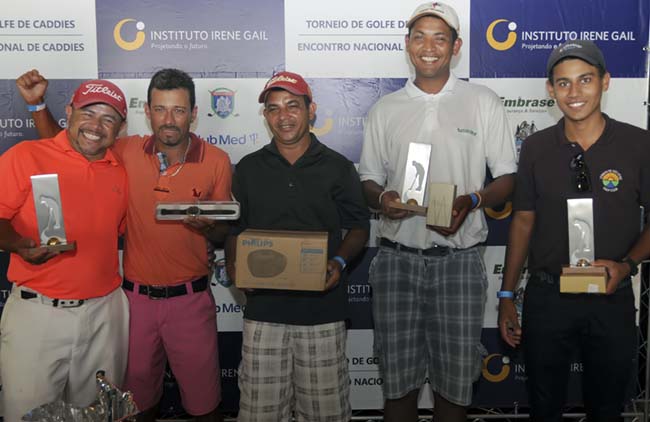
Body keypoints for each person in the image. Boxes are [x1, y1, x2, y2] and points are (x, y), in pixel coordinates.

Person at [17, 68, 231, 422]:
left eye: (178, 110)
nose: (169, 119)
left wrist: (209, 229)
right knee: (134, 408)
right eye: (160, 109)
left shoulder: (217, 161)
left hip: (191, 302)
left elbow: (223, 233)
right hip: (135, 304)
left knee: (205, 408)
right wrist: (38, 106)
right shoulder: (124, 151)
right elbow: (66, 149)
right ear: (146, 112)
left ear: (193, 114)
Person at [358, 2, 517, 421]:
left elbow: (507, 179)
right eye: (419, 36)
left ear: (456, 46)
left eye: (440, 38)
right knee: (397, 386)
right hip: (396, 261)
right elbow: (368, 181)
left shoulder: (482, 101)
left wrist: (474, 201)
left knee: (456, 387)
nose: (429, 47)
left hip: (459, 263)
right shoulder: (385, 108)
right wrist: (383, 201)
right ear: (407, 44)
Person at [498, 40, 650, 421]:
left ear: (606, 81)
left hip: (610, 296)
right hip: (548, 297)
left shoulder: (638, 144)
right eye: (563, 83)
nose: (574, 92)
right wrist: (505, 294)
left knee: (607, 409)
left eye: (585, 80)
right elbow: (523, 221)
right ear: (550, 90)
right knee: (544, 408)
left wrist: (626, 266)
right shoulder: (534, 147)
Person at [225, 71, 370, 422]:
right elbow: (235, 230)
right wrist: (233, 269)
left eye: (293, 106)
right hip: (264, 312)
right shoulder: (248, 168)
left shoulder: (337, 167)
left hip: (322, 311)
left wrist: (338, 261)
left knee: (325, 413)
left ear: (311, 110)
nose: (283, 116)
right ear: (265, 116)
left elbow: (360, 227)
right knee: (259, 413)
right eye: (273, 109)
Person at [0, 80, 129, 421]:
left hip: (105, 314)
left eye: (109, 119)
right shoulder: (27, 156)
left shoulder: (122, 170)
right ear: (69, 113)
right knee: (28, 414)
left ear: (120, 128)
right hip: (38, 314)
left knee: (100, 415)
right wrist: (18, 245)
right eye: (88, 113)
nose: (96, 126)